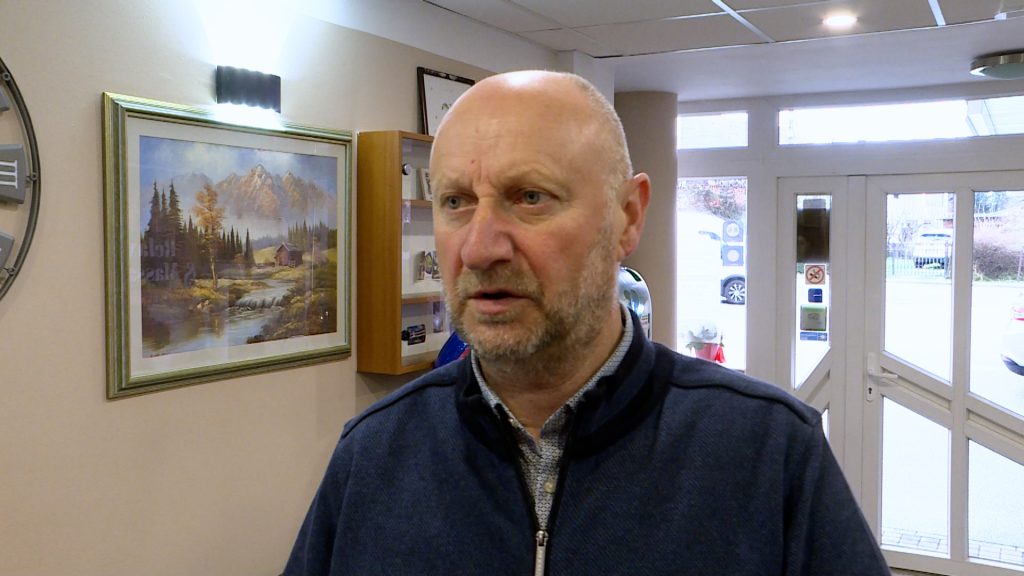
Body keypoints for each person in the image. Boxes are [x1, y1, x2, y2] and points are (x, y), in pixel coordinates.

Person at [284, 70, 891, 575]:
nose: (479, 247)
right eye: (455, 202)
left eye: (530, 197)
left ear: (628, 216)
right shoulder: (374, 455)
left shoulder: (766, 452)